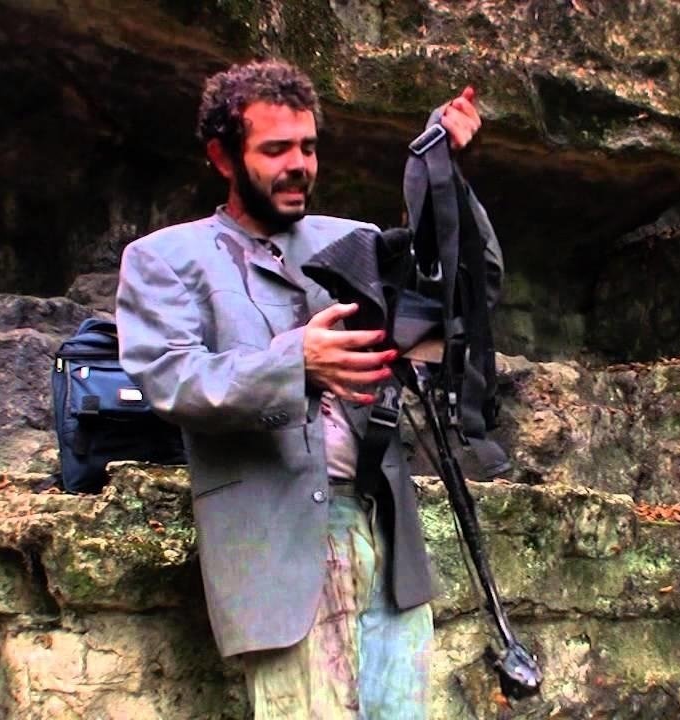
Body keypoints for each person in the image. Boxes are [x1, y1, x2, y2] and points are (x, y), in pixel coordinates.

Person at [114, 59, 501, 719]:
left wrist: (442, 173)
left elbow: (462, 296)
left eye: (308, 147)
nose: (298, 165)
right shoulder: (166, 259)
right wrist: (295, 362)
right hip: (278, 544)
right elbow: (173, 380)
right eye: (275, 150)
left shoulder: (355, 242)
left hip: (386, 533)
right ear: (223, 157)